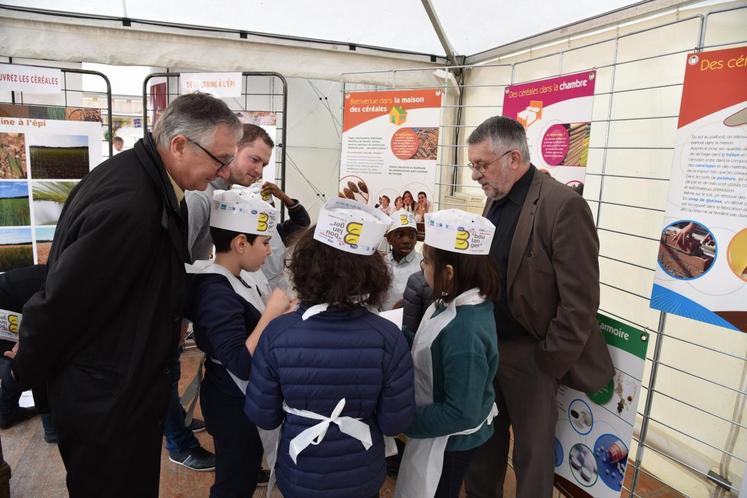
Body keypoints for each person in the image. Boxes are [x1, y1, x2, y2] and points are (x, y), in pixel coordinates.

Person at [2, 92, 241, 498]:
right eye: (219, 159)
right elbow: (63, 302)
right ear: (179, 144)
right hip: (107, 403)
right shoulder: (134, 206)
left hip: (115, 391)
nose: (222, 172)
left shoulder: (140, 177)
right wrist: (22, 369)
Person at [463, 116, 614, 498]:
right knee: (483, 446)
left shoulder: (564, 205)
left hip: (532, 355)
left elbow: (580, 300)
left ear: (513, 158)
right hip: (490, 344)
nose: (476, 175)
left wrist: (547, 360)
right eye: (473, 166)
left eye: (482, 165)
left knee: (532, 459)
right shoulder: (496, 196)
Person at [245, 198, 416, 498]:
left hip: (300, 472)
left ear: (303, 266)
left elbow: (264, 415)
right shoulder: (389, 337)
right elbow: (395, 422)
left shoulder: (277, 334)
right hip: (361, 474)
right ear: (372, 272)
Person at [185, 190, 291, 497]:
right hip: (230, 400)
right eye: (266, 242)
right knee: (234, 482)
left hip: (241, 398)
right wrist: (271, 313)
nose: (270, 251)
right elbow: (240, 362)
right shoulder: (215, 292)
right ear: (241, 243)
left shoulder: (243, 276)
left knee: (243, 473)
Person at [394, 209, 500, 498]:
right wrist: (398, 336)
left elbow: (461, 412)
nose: (422, 267)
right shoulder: (449, 301)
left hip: (450, 442)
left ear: (449, 272)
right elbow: (433, 350)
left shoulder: (465, 332)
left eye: (426, 261)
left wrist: (402, 420)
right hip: (435, 425)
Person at [0, 265, 57, 443]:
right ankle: (51, 427)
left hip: (15, 298)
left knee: (21, 357)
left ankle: (5, 410)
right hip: (11, 305)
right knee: (29, 356)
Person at [381, 209, 422, 311]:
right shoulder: (382, 263)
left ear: (416, 239)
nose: (406, 240)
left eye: (411, 236)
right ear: (389, 238)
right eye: (399, 235)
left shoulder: (423, 265)